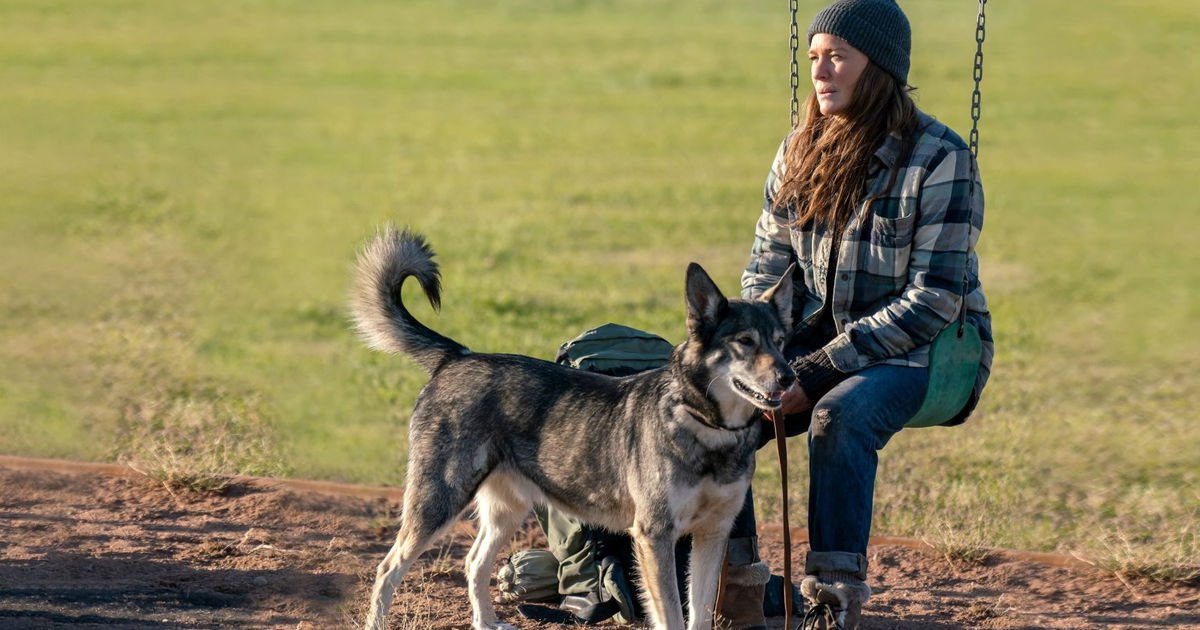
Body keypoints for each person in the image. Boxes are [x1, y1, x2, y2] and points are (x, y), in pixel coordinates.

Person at [722, 0, 995, 628]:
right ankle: (732, 584)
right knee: (724, 403)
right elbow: (766, 273)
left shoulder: (939, 158)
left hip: (929, 351)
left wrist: (812, 372)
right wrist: (765, 363)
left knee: (836, 416)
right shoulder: (798, 151)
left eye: (838, 56)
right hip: (824, 341)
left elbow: (933, 299)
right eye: (814, 57)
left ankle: (831, 597)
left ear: (880, 68)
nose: (821, 72)